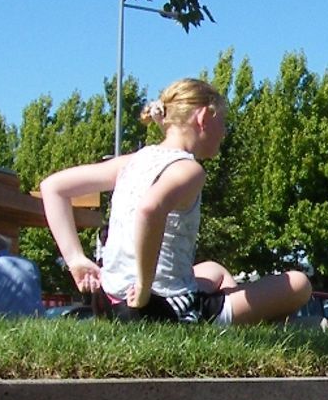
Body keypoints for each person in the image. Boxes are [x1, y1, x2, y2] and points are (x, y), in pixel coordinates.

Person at [40, 78, 312, 324]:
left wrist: (75, 259)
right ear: (204, 117)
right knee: (299, 284)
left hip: (110, 302)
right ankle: (219, 320)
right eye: (223, 122)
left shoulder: (133, 161)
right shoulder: (188, 170)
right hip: (159, 308)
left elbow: (53, 187)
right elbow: (149, 209)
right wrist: (144, 288)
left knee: (213, 270)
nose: (224, 132)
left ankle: (231, 318)